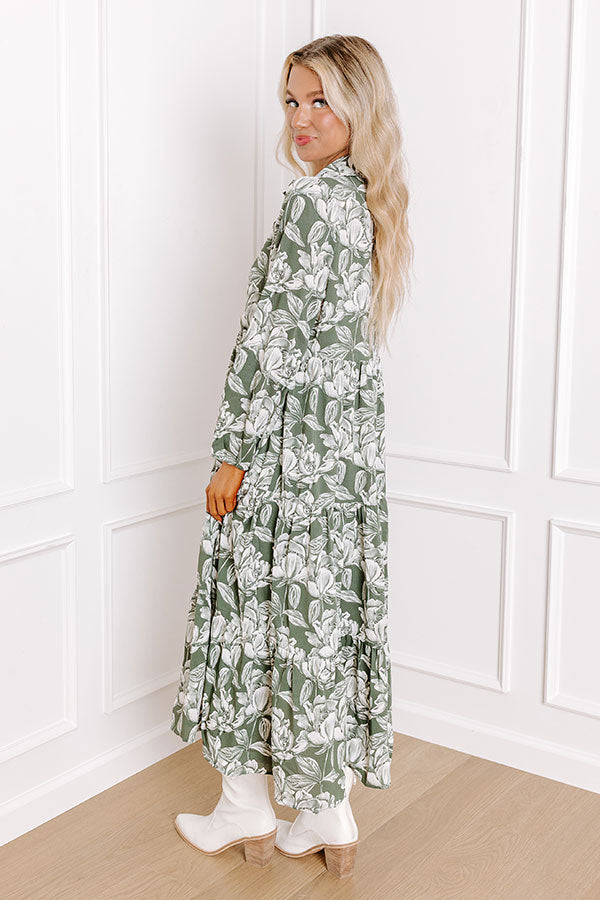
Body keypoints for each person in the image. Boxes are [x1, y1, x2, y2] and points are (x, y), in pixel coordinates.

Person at [170, 33, 413, 879]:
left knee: (252, 617)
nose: (301, 119)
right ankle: (325, 811)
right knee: (317, 622)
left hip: (284, 454)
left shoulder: (313, 205)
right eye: (291, 101)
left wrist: (232, 456)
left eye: (320, 101)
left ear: (358, 107)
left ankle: (244, 806)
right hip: (340, 464)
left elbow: (271, 346)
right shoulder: (366, 203)